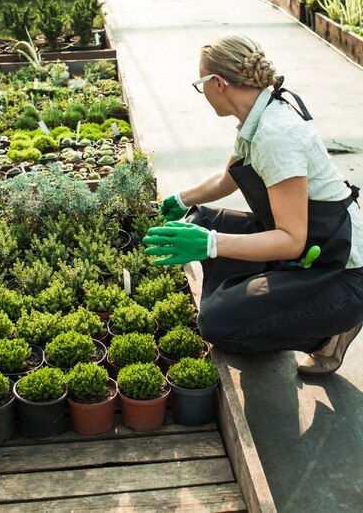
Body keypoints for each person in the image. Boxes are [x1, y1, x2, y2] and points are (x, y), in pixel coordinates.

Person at [143, 33, 363, 376]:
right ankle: (254, 302)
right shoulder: (258, 117)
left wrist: (211, 244)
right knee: (198, 219)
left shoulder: (276, 135)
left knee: (217, 325)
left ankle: (326, 337)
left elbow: (292, 239)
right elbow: (226, 179)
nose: (203, 95)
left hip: (340, 271)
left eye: (201, 85)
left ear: (218, 83)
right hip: (312, 245)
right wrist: (181, 199)